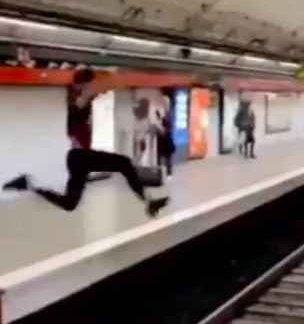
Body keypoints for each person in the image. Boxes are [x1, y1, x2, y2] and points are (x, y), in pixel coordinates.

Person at [2, 69, 169, 217]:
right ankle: (149, 202)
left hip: (77, 159)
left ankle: (28, 184)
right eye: (90, 84)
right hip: (80, 156)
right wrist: (110, 79)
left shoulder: (78, 100)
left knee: (69, 204)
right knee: (124, 163)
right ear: (82, 85)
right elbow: (86, 95)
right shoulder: (78, 101)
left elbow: (90, 93)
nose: (93, 87)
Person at [156, 96, 175, 178]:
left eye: (165, 102)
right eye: (163, 102)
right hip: (160, 138)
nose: (164, 104)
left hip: (167, 138)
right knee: (159, 157)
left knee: (168, 157)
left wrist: (164, 130)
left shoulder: (170, 113)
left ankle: (169, 173)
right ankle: (159, 173)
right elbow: (157, 122)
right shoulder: (160, 112)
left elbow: (170, 127)